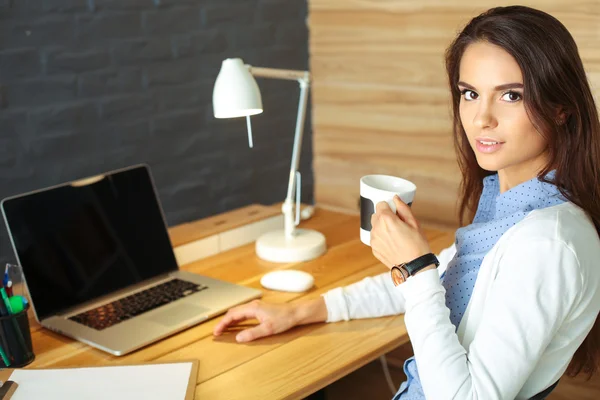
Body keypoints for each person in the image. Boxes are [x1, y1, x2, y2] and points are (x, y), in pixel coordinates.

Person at [213, 6, 600, 399]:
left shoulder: (548, 243)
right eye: (469, 93)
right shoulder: (513, 207)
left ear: (560, 107)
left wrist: (413, 267)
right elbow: (441, 281)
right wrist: (298, 312)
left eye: (511, 96)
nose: (481, 118)